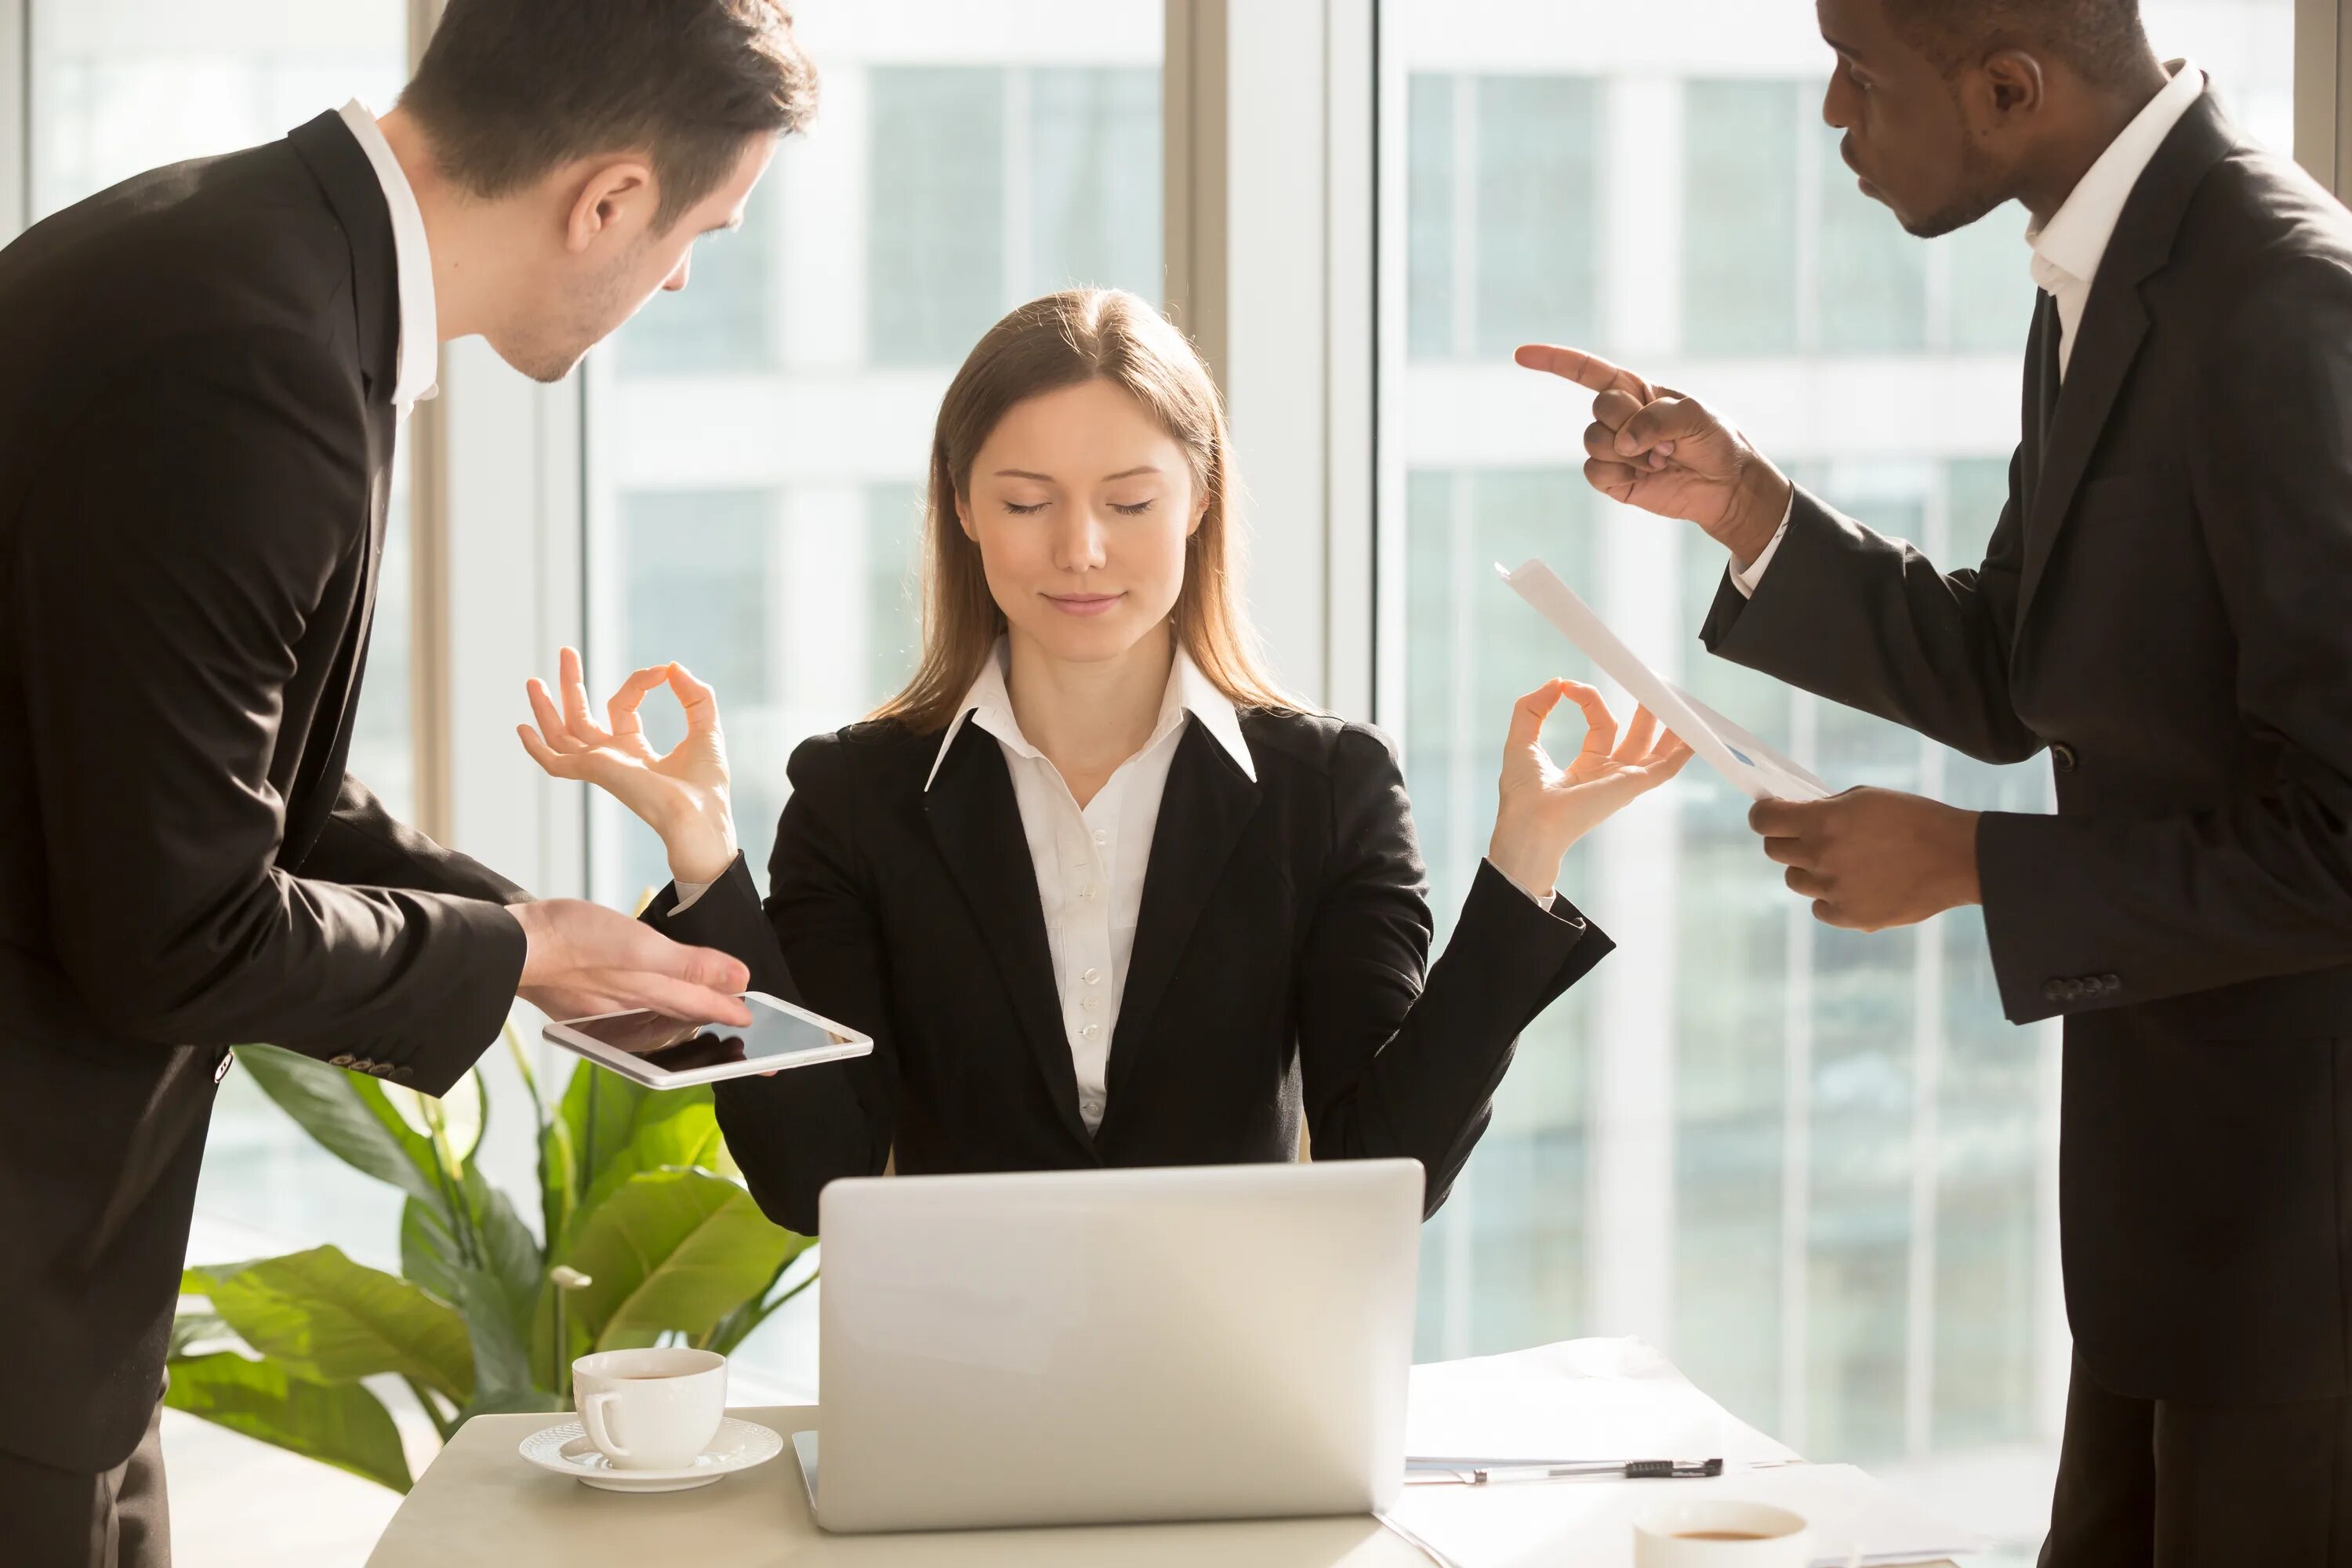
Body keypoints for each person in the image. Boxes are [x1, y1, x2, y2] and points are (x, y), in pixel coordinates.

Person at [1523, 0, 2352, 1559]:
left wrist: (1976, 863)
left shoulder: (2281, 303)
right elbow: (2014, 668)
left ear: (2008, 86)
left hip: (2303, 1265)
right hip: (2172, 1223)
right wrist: (1750, 508)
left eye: (1861, 76)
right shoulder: (2108, 271)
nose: (1834, 112)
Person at [0, 2, 820, 1561]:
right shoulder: (251, 367)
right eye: (699, 230)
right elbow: (170, 928)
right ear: (608, 200)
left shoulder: (245, 258)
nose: (683, 277)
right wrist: (516, 957)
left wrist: (542, 938)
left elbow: (243, 794)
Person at [521, 286, 1692, 1233]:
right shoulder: (856, 794)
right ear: (964, 509)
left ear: (1198, 501)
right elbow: (811, 1180)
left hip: (1241, 1389)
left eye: (1130, 501)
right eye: (1027, 502)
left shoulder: (1327, 789)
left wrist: (1524, 859)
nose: (1080, 551)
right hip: (956, 1392)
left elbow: (1388, 1167)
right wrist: (701, 853)